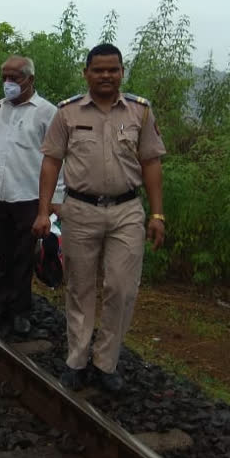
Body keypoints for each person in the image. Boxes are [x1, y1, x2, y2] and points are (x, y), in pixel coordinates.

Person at [32, 43, 166, 392]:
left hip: (126, 210)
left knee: (121, 288)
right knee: (79, 287)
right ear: (86, 72)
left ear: (122, 72)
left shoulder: (141, 112)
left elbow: (151, 162)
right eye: (99, 70)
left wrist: (157, 214)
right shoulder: (67, 113)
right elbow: (51, 161)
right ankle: (76, 360)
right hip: (79, 209)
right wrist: (44, 209)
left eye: (113, 69)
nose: (106, 76)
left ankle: (106, 363)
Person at [0, 55, 64, 337]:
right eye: (4, 77)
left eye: (14, 77)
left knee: (24, 256)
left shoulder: (47, 112)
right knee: (4, 253)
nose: (8, 83)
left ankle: (20, 312)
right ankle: (2, 306)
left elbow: (58, 158)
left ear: (30, 79)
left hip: (30, 196)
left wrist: (55, 200)